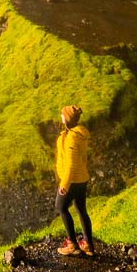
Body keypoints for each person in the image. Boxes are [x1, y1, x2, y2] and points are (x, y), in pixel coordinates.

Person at [55, 104, 93, 257]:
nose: (61, 117)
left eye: (63, 115)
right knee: (81, 210)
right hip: (82, 178)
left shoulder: (71, 137)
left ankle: (72, 244)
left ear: (68, 119)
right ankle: (88, 245)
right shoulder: (79, 134)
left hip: (72, 180)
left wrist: (64, 185)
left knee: (60, 207)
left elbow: (71, 164)